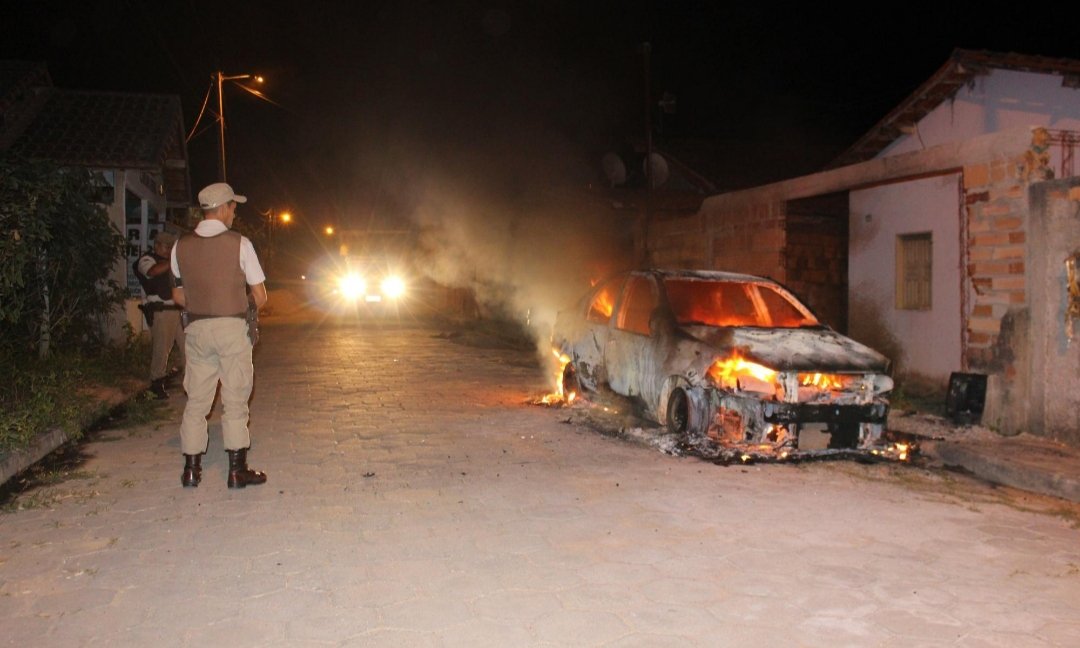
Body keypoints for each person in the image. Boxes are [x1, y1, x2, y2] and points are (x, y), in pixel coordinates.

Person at [171, 182, 269, 489]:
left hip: (197, 329)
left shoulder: (180, 245)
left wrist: (205, 305)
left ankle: (191, 470)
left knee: (197, 400)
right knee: (235, 399)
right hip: (232, 329)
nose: (235, 211)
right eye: (233, 206)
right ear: (224, 208)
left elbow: (177, 295)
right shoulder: (240, 243)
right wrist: (233, 305)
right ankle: (237, 471)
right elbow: (260, 295)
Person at [135, 231, 185, 399]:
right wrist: (174, 261)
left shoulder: (171, 262)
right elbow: (152, 272)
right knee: (162, 349)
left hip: (178, 309)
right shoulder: (147, 259)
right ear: (156, 245)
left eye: (171, 247)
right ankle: (156, 383)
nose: (169, 249)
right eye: (166, 246)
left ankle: (192, 384)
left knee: (190, 348)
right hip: (161, 311)